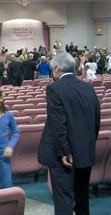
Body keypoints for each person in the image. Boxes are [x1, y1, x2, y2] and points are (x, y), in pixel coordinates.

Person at [38, 52, 100, 215]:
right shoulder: (88, 87)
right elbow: (96, 120)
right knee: (82, 198)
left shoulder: (54, 88)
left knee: (64, 199)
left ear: (57, 69)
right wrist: (87, 145)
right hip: (85, 151)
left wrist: (65, 151)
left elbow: (58, 124)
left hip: (64, 156)